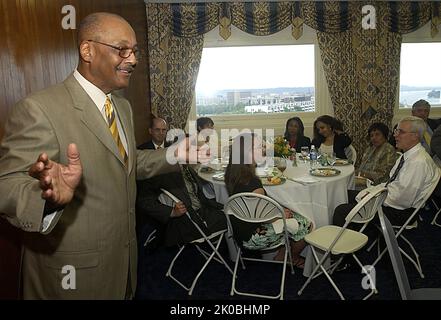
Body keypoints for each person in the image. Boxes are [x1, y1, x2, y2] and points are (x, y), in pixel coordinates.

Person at [0, 13, 206, 300]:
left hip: (123, 263)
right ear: (87, 50)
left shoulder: (121, 107)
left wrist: (173, 155)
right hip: (71, 275)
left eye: (135, 51)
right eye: (122, 49)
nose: (133, 59)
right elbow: (7, 185)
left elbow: (125, 164)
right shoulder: (39, 109)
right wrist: (46, 198)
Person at [333, 116, 440, 228]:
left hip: (399, 212)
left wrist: (373, 198)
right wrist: (371, 192)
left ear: (415, 136)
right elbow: (390, 183)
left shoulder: (418, 162)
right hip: (390, 199)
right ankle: (366, 233)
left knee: (341, 211)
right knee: (342, 194)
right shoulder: (408, 155)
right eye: (396, 131)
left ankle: (355, 242)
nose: (395, 135)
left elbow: (402, 199)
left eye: (401, 132)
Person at [224, 133, 311, 268]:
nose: (264, 150)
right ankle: (290, 257)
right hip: (253, 238)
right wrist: (280, 215)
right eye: (259, 147)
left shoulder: (232, 173)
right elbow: (261, 217)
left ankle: (282, 255)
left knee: (290, 213)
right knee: (307, 223)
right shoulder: (253, 183)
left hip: (239, 231)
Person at [136, 164, 226, 247]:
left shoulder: (185, 166)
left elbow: (198, 194)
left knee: (229, 208)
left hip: (201, 209)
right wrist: (171, 212)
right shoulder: (161, 171)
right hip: (191, 222)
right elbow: (144, 201)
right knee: (233, 215)